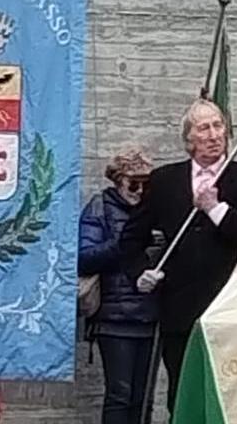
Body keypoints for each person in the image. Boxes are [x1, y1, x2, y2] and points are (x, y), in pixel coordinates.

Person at [121, 99, 237, 415]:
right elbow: (131, 239)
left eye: (219, 126)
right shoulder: (164, 181)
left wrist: (216, 209)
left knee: (231, 396)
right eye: (204, 128)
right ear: (189, 138)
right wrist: (142, 273)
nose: (214, 134)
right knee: (183, 394)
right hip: (180, 309)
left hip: (233, 306)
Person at [80, 147, 158, 424]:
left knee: (144, 396)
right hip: (114, 319)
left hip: (152, 315)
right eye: (133, 183)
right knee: (120, 394)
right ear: (118, 180)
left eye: (147, 184)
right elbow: (83, 258)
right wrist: (125, 244)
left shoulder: (155, 210)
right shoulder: (100, 207)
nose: (140, 191)